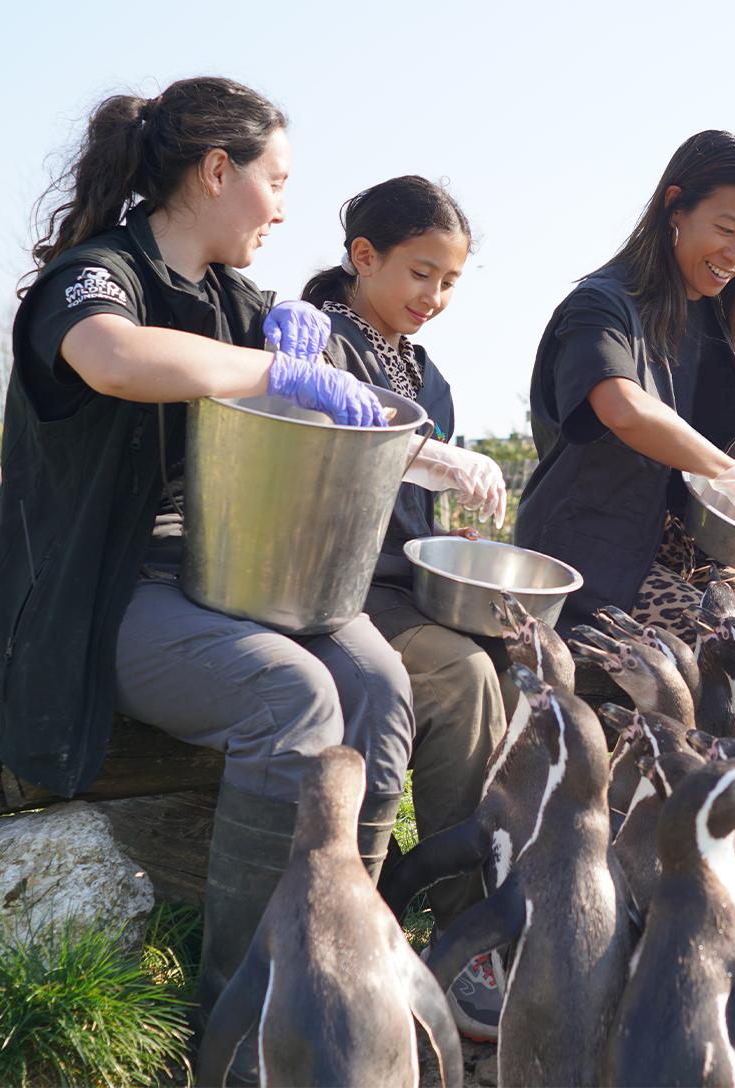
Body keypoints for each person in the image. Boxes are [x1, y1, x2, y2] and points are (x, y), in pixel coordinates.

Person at [0, 77, 415, 1069]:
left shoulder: (240, 302)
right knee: (293, 692)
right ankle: (242, 1026)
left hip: (227, 578)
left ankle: (344, 974)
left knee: (379, 683)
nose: (286, 206)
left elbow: (343, 401)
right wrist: (270, 371)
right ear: (219, 171)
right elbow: (116, 359)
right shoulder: (96, 278)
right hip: (108, 599)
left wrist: (428, 444)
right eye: (278, 179)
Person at [302, 176, 509, 1041]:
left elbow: (415, 526)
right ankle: (463, 942)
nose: (435, 298)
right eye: (421, 275)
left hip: (397, 588)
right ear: (363, 258)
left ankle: (488, 916)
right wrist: (427, 457)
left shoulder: (433, 376)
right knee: (461, 678)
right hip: (323, 589)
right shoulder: (313, 342)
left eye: (451, 282)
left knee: (506, 665)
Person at [516, 130, 735, 657]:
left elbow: (722, 463)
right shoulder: (601, 306)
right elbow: (622, 407)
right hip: (596, 557)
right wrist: (731, 474)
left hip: (706, 558)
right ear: (675, 207)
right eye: (726, 229)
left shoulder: (722, 320)